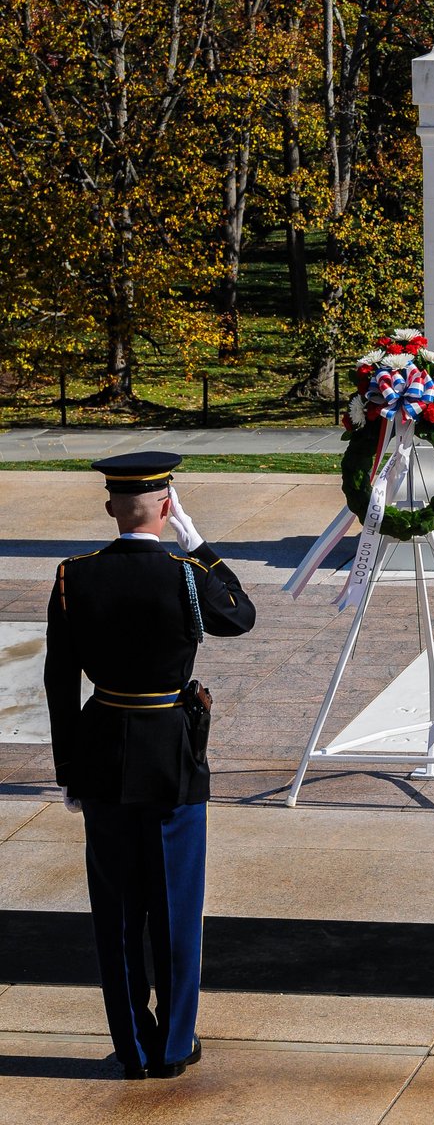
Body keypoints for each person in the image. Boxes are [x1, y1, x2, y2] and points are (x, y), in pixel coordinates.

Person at [44, 451, 256, 1079]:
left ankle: (134, 1047)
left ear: (111, 507)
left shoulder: (73, 576)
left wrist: (68, 771)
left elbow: (59, 683)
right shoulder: (188, 574)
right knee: (176, 906)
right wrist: (202, 546)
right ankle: (173, 1046)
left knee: (115, 910)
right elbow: (240, 615)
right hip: (173, 753)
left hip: (104, 750)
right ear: (167, 507)